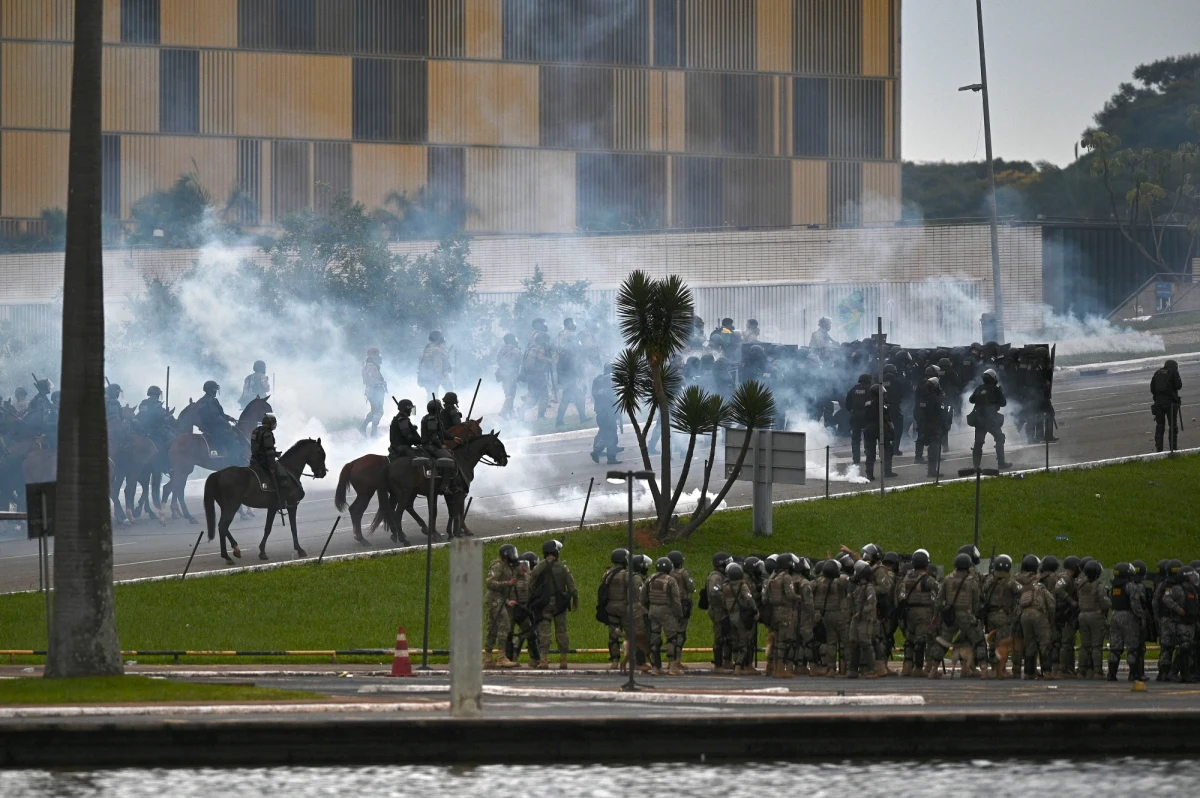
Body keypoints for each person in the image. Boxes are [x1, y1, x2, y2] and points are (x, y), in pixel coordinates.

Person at [927, 553, 984, 678]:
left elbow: (938, 600)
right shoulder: (972, 581)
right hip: (967, 616)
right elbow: (976, 601)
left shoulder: (947, 579)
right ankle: (984, 670)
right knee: (979, 641)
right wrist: (973, 615)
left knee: (943, 641)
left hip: (950, 617)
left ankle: (933, 669)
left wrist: (936, 615)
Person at [529, 539, 578, 670]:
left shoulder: (539, 567)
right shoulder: (562, 567)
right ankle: (563, 660)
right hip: (559, 605)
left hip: (543, 605)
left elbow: (530, 584)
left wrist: (533, 599)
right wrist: (575, 601)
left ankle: (544, 659)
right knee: (562, 631)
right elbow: (572, 587)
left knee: (544, 632)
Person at [1015, 555, 1055, 679]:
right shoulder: (1041, 586)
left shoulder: (1022, 585)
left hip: (1024, 615)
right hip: (1039, 614)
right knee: (1045, 643)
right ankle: (1047, 672)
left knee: (1030, 644)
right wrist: (1050, 621)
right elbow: (1051, 604)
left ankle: (1028, 672)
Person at [643, 557, 685, 676]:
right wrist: (679, 614)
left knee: (655, 639)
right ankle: (672, 667)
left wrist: (649, 607)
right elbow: (676, 600)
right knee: (672, 638)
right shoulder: (670, 580)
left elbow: (643, 597)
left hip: (653, 610)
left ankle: (656, 668)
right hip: (666, 612)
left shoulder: (650, 579)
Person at [897, 550, 936, 677]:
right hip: (923, 612)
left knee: (910, 639)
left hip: (909, 612)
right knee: (920, 640)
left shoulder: (906, 578)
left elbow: (901, 595)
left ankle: (907, 667)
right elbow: (940, 590)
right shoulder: (927, 579)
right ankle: (918, 668)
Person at [762, 553, 800, 679]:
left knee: (775, 639)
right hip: (785, 612)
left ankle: (770, 667)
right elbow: (790, 595)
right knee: (783, 641)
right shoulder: (786, 577)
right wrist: (799, 597)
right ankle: (780, 669)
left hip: (773, 612)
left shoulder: (771, 578)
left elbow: (764, 598)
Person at [485, 544, 521, 669]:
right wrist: (507, 583)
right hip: (494, 599)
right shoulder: (498, 566)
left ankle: (488, 658)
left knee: (493, 628)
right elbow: (489, 583)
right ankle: (501, 657)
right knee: (504, 625)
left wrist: (507, 601)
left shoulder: (508, 567)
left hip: (500, 599)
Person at [811, 559, 849, 676]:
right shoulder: (841, 581)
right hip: (841, 614)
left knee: (830, 642)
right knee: (845, 642)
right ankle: (846, 668)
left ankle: (831, 668)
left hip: (826, 614)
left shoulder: (818, 582)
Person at [968, 368, 1011, 470]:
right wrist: (999, 393)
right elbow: (1003, 403)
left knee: (978, 442)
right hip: (991, 420)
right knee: (1000, 438)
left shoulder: (979, 388)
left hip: (979, 420)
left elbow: (971, 400)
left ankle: (976, 466)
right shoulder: (995, 389)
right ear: (993, 379)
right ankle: (1001, 463)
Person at [721, 561, 758, 675]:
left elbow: (723, 602)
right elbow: (749, 598)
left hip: (730, 616)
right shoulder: (743, 585)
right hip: (741, 617)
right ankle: (739, 666)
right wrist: (755, 610)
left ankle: (735, 661)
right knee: (744, 641)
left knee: (735, 641)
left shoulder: (725, 587)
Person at [847, 560, 880, 679]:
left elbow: (872, 604)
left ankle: (872, 670)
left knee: (866, 643)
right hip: (856, 619)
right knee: (854, 643)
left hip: (865, 619)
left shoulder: (869, 588)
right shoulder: (857, 587)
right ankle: (852, 670)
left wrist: (860, 612)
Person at [508, 551, 542, 666]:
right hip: (518, 609)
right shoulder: (521, 578)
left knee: (527, 633)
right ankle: (515, 657)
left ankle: (529, 657)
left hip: (524, 609)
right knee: (523, 633)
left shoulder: (523, 577)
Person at [1052, 556, 1082, 679]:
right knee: (1066, 642)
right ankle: (1062, 669)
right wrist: (1070, 601)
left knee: (1065, 642)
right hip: (1063, 613)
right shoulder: (1065, 577)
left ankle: (1066, 668)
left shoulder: (1068, 578)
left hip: (1063, 613)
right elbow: (1058, 589)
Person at [420, 399, 458, 491]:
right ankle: (444, 486)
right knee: (449, 460)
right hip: (430, 446)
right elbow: (433, 435)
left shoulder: (432, 418)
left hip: (432, 444)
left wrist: (453, 438)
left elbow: (442, 433)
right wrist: (440, 445)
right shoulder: (432, 419)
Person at [705, 552, 733, 673]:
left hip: (722, 610)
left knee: (727, 635)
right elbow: (714, 593)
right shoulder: (715, 577)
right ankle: (718, 665)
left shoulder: (721, 576)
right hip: (718, 610)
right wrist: (727, 600)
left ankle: (726, 662)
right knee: (720, 637)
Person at [862, 384, 897, 481]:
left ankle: (869, 474)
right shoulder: (882, 403)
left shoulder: (868, 403)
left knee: (870, 452)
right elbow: (887, 414)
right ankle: (887, 472)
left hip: (869, 429)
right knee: (887, 449)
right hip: (880, 427)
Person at [590, 363, 621, 464]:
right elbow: (613, 398)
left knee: (606, 433)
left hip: (603, 412)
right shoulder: (607, 381)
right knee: (610, 434)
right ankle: (607, 456)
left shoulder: (599, 380)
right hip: (607, 413)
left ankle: (601, 451)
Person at [914, 376, 945, 475]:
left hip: (924, 426)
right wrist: (943, 425)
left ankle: (919, 458)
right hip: (934, 426)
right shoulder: (937, 398)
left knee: (924, 443)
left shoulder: (923, 399)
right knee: (934, 449)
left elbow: (917, 412)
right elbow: (941, 413)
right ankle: (932, 471)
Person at [555, 337, 589, 427]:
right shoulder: (569, 354)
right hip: (569, 381)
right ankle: (582, 417)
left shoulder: (565, 353)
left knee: (567, 400)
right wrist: (581, 376)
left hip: (567, 380)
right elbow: (574, 368)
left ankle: (560, 420)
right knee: (579, 397)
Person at [667, 551, 695, 660]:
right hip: (682, 603)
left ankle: (671, 659)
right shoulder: (684, 573)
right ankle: (676, 659)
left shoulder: (666, 572)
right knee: (681, 633)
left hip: (669, 605)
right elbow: (691, 588)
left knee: (671, 633)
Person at [1151, 359, 1183, 452]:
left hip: (1158, 404)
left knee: (1160, 426)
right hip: (1171, 404)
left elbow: (1152, 389)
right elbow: (1179, 385)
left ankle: (1159, 449)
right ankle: (1173, 448)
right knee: (1172, 426)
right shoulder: (1173, 372)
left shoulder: (1157, 373)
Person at [250, 413, 283, 500]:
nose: (274, 425)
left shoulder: (255, 431)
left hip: (254, 460)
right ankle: (277, 495)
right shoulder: (267, 434)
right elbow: (269, 452)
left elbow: (259, 447)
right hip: (263, 462)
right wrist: (272, 466)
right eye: (273, 423)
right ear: (269, 424)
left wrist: (276, 453)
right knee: (281, 473)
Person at [520, 330, 553, 419]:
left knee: (533, 398)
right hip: (538, 376)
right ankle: (541, 415)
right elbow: (541, 358)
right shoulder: (540, 348)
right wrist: (551, 360)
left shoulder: (530, 348)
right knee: (544, 396)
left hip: (529, 376)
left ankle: (521, 411)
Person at [418, 331, 453, 399]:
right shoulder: (437, 350)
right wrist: (441, 377)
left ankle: (432, 408)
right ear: (439, 339)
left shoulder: (424, 350)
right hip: (437, 376)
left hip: (426, 377)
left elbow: (420, 366)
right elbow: (438, 366)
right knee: (450, 393)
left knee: (431, 397)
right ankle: (448, 407)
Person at [845, 374, 871, 466]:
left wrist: (851, 410)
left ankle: (856, 459)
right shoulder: (870, 389)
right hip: (867, 416)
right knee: (868, 437)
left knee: (855, 438)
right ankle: (869, 456)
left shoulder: (854, 389)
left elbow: (847, 402)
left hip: (855, 416)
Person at [361, 347, 387, 438]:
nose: (380, 357)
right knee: (379, 411)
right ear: (374, 356)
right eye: (378, 355)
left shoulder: (369, 364)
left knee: (374, 411)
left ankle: (364, 427)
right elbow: (373, 380)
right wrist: (382, 383)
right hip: (374, 391)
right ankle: (374, 433)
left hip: (372, 390)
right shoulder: (371, 366)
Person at [496, 333, 522, 420]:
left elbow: (498, 361)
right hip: (511, 374)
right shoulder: (514, 349)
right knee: (510, 395)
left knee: (508, 394)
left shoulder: (502, 349)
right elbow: (519, 360)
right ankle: (503, 412)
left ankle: (510, 414)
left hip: (503, 374)